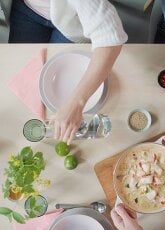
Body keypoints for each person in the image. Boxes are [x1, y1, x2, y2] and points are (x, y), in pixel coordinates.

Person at [0, 0, 128, 144]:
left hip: (72, 18)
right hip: (25, 9)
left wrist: (76, 103)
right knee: (19, 75)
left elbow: (111, 37)